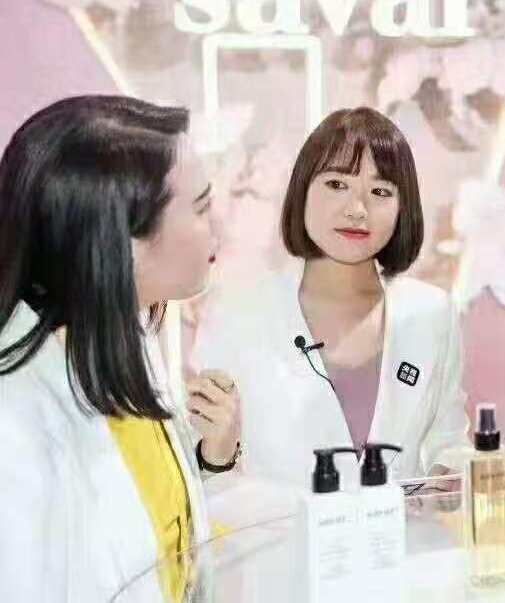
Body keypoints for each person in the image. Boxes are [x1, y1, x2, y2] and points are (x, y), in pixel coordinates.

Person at [0, 95, 239, 603]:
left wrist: (213, 461)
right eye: (201, 208)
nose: (220, 227)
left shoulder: (123, 336)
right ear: (122, 241)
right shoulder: (13, 424)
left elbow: (154, 535)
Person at [194, 108, 468, 492]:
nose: (357, 209)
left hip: (406, 530)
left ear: (403, 208)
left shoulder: (432, 313)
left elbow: (449, 439)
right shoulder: (236, 315)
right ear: (302, 190)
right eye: (337, 184)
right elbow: (203, 471)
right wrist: (215, 456)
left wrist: (447, 474)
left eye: (380, 192)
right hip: (279, 531)